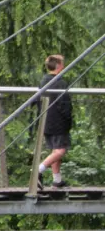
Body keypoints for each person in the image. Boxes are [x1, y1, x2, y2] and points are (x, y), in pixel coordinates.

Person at [37, 54, 72, 189]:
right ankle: (38, 171)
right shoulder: (60, 83)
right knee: (60, 151)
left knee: (55, 150)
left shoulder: (43, 81)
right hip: (58, 122)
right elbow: (65, 105)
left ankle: (57, 181)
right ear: (59, 66)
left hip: (46, 121)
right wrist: (68, 118)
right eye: (62, 64)